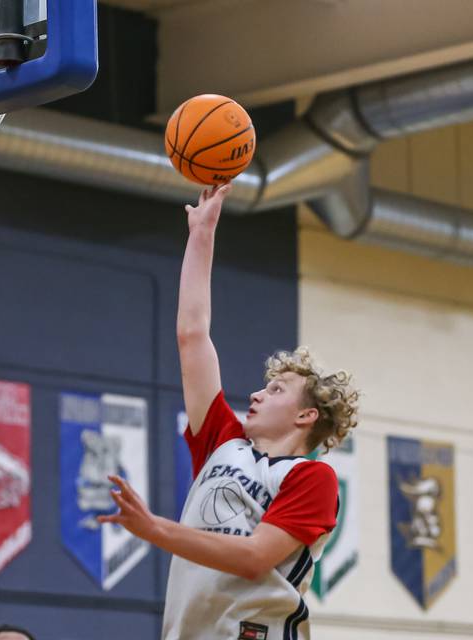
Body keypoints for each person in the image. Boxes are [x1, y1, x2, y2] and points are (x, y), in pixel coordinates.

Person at [97, 183, 360, 640]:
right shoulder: (224, 440)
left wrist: (154, 528)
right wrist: (202, 234)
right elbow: (192, 336)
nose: (256, 395)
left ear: (306, 416)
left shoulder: (310, 478)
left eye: (276, 389)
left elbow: (255, 556)